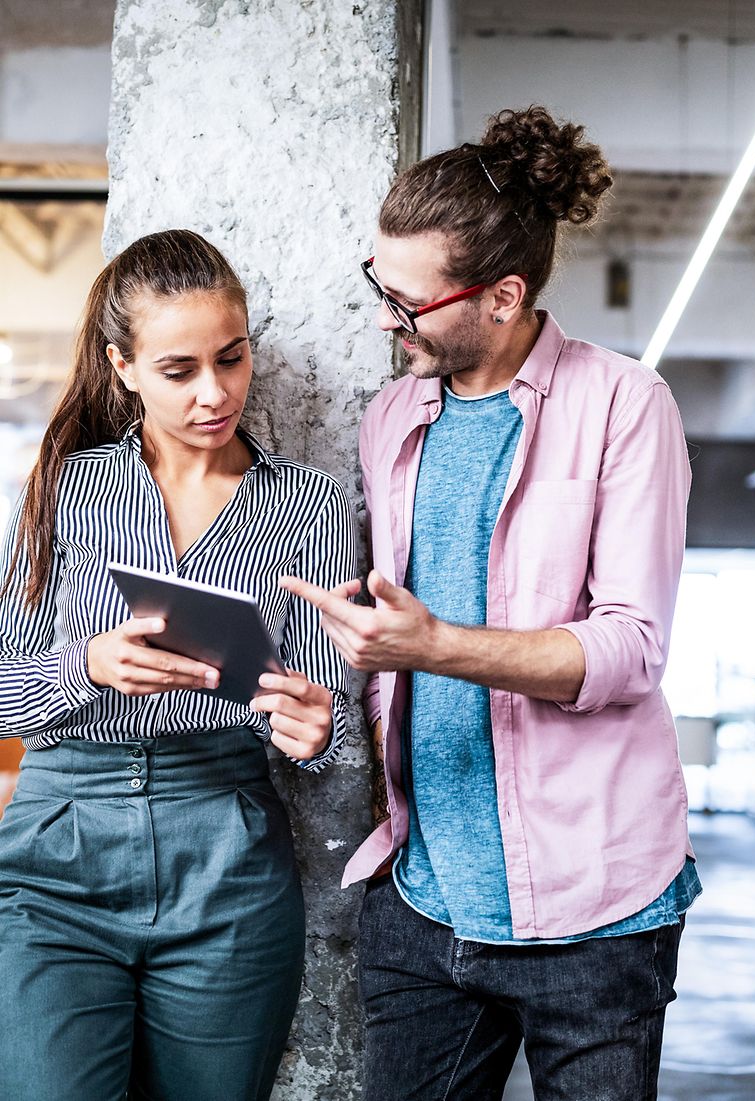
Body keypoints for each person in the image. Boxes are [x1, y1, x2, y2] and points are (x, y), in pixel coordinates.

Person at [281, 106, 701, 1100]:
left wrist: (433, 644)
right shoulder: (393, 417)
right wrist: (326, 700)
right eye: (378, 286)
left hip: (596, 914)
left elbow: (629, 651)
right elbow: (396, 642)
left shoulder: (625, 405)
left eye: (411, 301)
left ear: (504, 296)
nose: (388, 317)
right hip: (420, 904)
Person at [0, 229, 355, 1101]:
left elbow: (320, 713)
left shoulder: (309, 503)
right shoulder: (62, 486)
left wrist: (318, 728)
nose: (214, 393)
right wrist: (83, 664)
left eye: (231, 359)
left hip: (226, 854)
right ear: (122, 367)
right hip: (58, 850)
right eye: (179, 370)